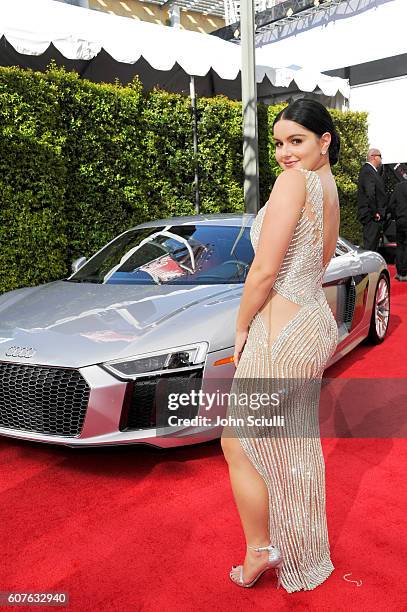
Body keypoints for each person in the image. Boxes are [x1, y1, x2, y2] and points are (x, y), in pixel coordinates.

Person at [221, 98, 340, 593]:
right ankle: (301, 548)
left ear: (323, 141)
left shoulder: (294, 183)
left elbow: (264, 270)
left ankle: (261, 550)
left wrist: (242, 326)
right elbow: (323, 259)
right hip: (313, 320)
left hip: (280, 330)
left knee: (237, 441)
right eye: (278, 144)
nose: (286, 154)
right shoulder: (330, 188)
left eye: (297, 141)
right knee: (291, 444)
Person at [357, 148, 388, 251]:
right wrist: (375, 213)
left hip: (373, 217)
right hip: (372, 217)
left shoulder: (370, 171)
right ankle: (369, 267)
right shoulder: (368, 171)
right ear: (374, 157)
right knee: (370, 248)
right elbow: (370, 193)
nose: (381, 160)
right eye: (380, 157)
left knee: (373, 247)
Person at [388, 179, 407, 281]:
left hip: (400, 220)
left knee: (400, 246)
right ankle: (405, 272)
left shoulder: (398, 186)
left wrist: (397, 215)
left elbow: (391, 204)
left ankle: (400, 272)